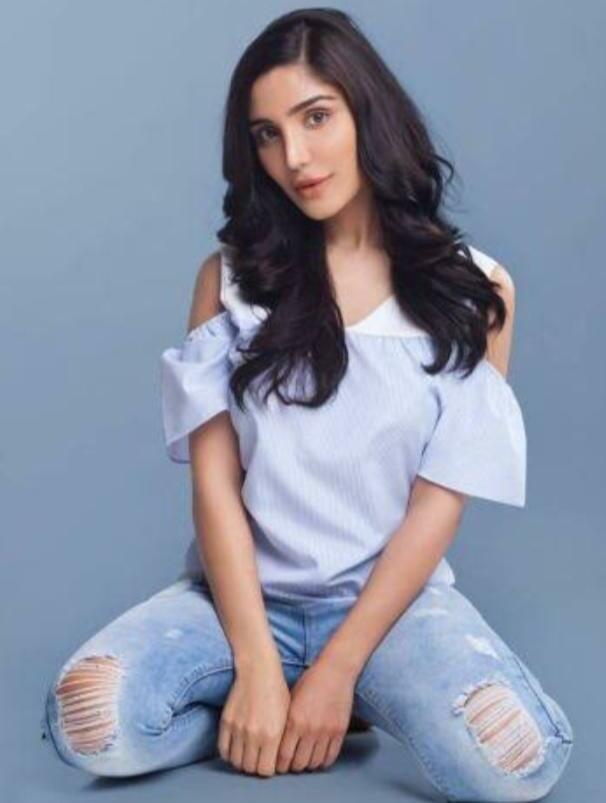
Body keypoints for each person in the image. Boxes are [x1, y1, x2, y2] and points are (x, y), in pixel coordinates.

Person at [41, 8, 574, 800]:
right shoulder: (229, 280)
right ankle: (253, 709)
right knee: (90, 720)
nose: (293, 156)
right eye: (267, 134)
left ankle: (341, 697)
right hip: (238, 606)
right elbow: (215, 485)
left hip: (394, 614)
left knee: (514, 763)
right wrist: (258, 663)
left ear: (368, 111)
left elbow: (439, 504)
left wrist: (339, 668)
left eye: (316, 117)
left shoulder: (476, 290)